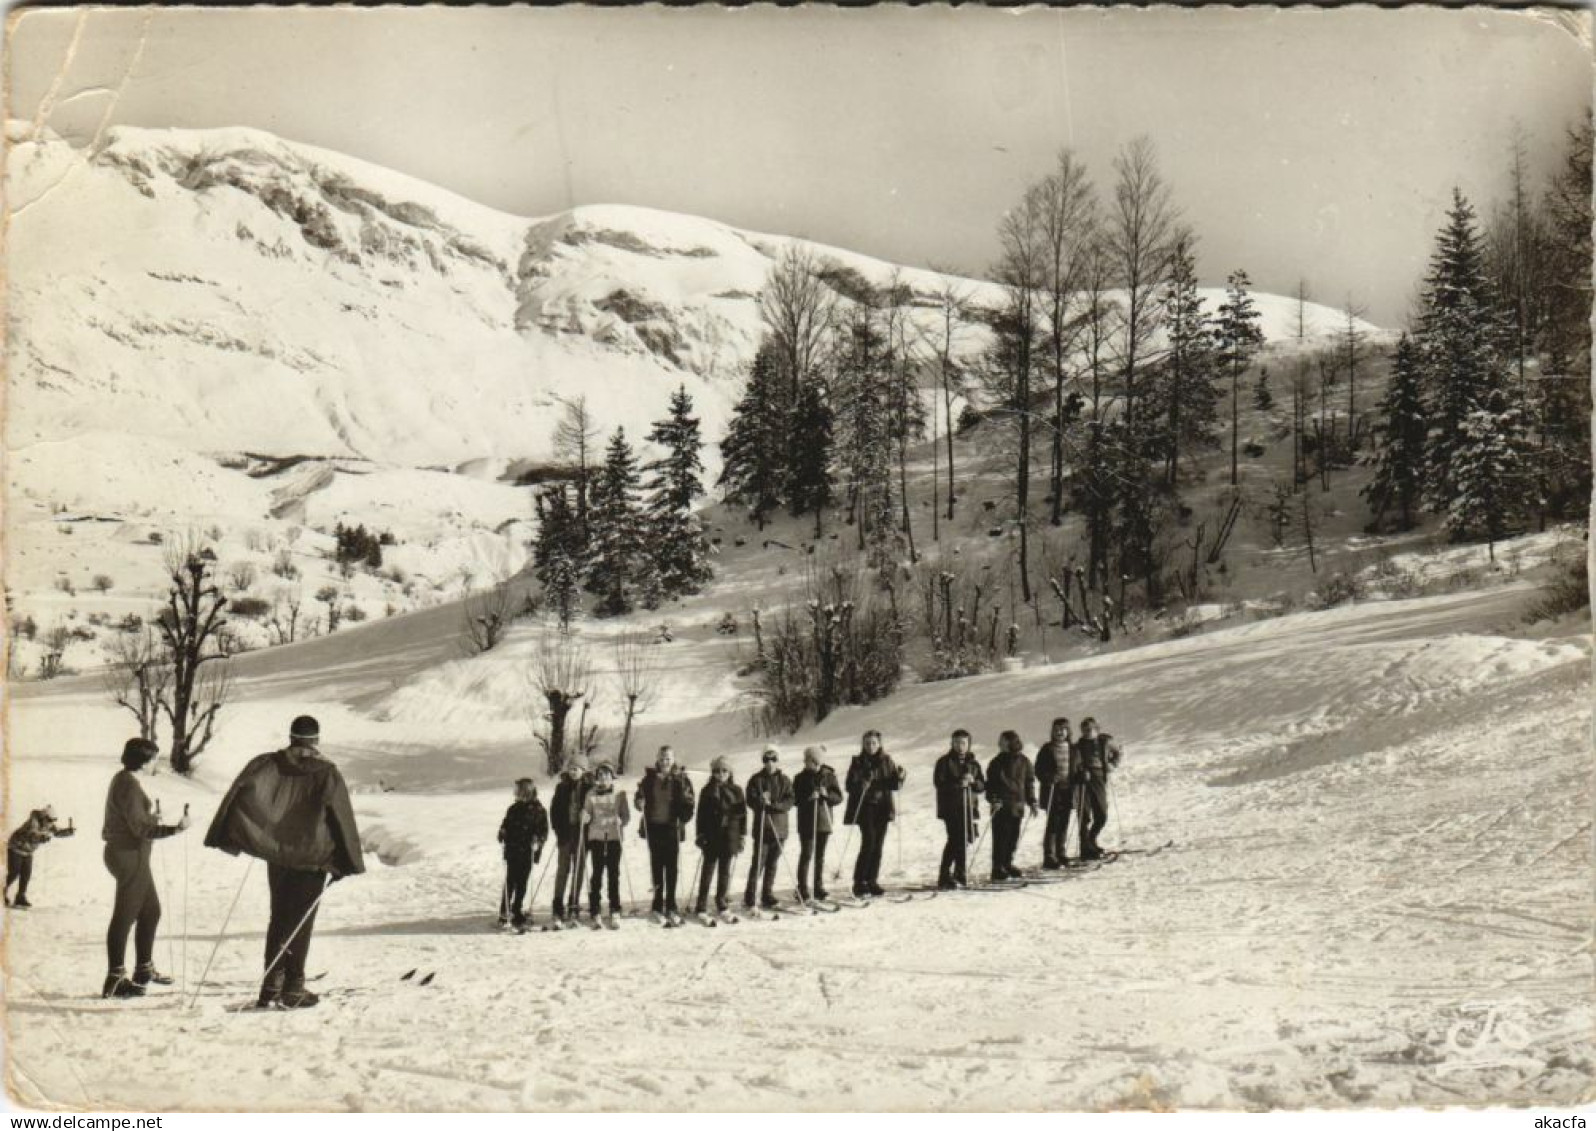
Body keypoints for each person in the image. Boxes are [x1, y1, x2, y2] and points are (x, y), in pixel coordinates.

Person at [205, 716, 364, 1009]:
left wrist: (245, 834)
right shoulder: (326, 772)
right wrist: (349, 861)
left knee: (279, 918)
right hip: (312, 858)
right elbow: (342, 818)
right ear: (316, 740)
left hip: (277, 856)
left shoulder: (266, 765)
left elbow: (240, 793)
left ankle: (270, 987)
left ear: (291, 737)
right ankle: (293, 989)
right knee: (300, 923)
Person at [101, 739, 188, 999]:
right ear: (144, 761)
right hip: (129, 855)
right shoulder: (128, 784)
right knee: (125, 916)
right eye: (154, 760)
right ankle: (115, 979)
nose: (156, 765)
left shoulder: (123, 779)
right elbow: (140, 829)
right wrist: (176, 828)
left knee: (151, 911)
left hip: (130, 853)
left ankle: (144, 969)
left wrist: (151, 818)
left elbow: (134, 820)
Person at [633, 746, 695, 921]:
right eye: (662, 758)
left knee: (672, 867)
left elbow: (690, 803)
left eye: (668, 758)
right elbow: (638, 798)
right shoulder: (649, 779)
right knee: (656, 865)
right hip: (653, 827)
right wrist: (639, 802)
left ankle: (671, 902)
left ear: (673, 760)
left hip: (671, 827)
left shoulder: (681, 779)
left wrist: (684, 815)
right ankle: (658, 901)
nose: (665, 762)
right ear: (657, 759)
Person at [843, 730, 905, 898]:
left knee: (878, 845)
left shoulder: (887, 760)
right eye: (867, 743)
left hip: (883, 807)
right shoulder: (857, 762)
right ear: (863, 744)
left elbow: (894, 784)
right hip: (865, 807)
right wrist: (862, 783)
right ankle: (859, 881)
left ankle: (872, 880)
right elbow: (849, 785)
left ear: (879, 744)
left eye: (873, 743)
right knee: (869, 842)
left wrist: (900, 776)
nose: (870, 746)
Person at [693, 756, 746, 920]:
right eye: (717, 771)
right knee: (708, 870)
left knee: (724, 870)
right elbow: (700, 815)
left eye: (724, 770)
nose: (720, 774)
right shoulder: (707, 790)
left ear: (729, 772)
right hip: (712, 835)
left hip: (730, 835)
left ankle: (721, 901)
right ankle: (701, 904)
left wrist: (742, 835)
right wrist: (700, 834)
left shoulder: (737, 790)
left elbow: (743, 815)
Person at [932, 730, 985, 890]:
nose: (960, 746)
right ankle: (945, 874)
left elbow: (982, 785)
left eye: (963, 743)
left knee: (965, 840)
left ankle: (960, 874)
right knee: (955, 840)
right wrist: (958, 783)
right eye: (956, 742)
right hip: (951, 807)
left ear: (968, 744)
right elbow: (939, 783)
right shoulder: (944, 762)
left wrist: (973, 781)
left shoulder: (973, 764)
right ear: (951, 743)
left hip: (969, 807)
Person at [743, 746, 794, 911]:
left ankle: (767, 894)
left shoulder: (785, 780)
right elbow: (749, 800)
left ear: (778, 760)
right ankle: (750, 896)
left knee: (772, 863)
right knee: (758, 862)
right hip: (763, 828)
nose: (770, 763)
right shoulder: (756, 779)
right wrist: (760, 801)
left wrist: (775, 806)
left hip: (779, 828)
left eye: (773, 759)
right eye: (766, 759)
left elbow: (790, 800)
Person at [580, 762, 630, 926]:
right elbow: (587, 812)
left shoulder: (619, 794)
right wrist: (585, 817)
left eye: (606, 776)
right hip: (597, 838)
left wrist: (621, 820)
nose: (603, 779)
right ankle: (595, 909)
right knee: (597, 875)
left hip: (614, 837)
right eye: (600, 776)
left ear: (612, 777)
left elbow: (626, 816)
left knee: (614, 874)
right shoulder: (591, 794)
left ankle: (615, 908)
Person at [791, 746, 842, 903]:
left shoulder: (829, 776)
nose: (805, 762)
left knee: (820, 856)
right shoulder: (800, 778)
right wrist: (808, 797)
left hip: (824, 821)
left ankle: (818, 887)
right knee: (806, 854)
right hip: (807, 821)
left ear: (815, 761)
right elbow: (794, 799)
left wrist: (826, 795)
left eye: (808, 760)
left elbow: (838, 797)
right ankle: (802, 888)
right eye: (805, 759)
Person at [984, 730, 1037, 880]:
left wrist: (1032, 800)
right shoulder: (996, 762)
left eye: (1002, 740)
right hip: (1001, 806)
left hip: (1017, 805)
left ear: (1010, 742)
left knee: (1013, 837)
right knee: (1001, 838)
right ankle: (997, 867)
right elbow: (991, 785)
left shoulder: (1024, 761)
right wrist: (993, 799)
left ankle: (1007, 863)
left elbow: (1029, 783)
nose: (999, 743)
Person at [497, 778, 548, 930]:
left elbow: (543, 830)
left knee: (522, 882)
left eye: (517, 790)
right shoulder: (513, 808)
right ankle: (504, 912)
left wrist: (538, 840)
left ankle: (516, 909)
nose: (515, 793)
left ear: (525, 792)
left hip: (527, 852)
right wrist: (502, 832)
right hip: (513, 850)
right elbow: (506, 823)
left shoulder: (538, 810)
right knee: (510, 881)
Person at [1072, 717, 1124, 860]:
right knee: (1084, 814)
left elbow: (1118, 751)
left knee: (1101, 813)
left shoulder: (1105, 742)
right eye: (1083, 730)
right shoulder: (1078, 746)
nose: (1086, 732)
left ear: (1096, 729)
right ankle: (1086, 848)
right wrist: (1080, 770)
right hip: (1083, 780)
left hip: (1099, 776)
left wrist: (1112, 764)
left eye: (1089, 729)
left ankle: (1091, 840)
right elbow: (1075, 762)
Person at [549, 756, 592, 925]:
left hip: (582, 834)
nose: (573, 772)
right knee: (563, 869)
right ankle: (557, 904)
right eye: (571, 768)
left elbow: (593, 809)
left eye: (577, 768)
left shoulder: (589, 788)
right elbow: (554, 810)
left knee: (579, 869)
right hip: (566, 834)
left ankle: (573, 902)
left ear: (584, 770)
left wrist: (588, 818)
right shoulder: (561, 787)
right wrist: (558, 829)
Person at [7, 804, 71, 908]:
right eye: (50, 820)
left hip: (28, 851)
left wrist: (68, 832)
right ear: (44, 817)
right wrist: (41, 838)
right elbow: (31, 834)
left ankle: (20, 897)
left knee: (26, 875)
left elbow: (56, 832)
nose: (51, 823)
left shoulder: (48, 824)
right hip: (16, 848)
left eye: (52, 821)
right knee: (14, 873)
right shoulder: (33, 822)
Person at [1034, 717, 1074, 868]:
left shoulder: (1072, 748)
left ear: (1068, 731)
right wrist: (1048, 777)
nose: (1059, 732)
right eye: (1056, 729)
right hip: (1052, 790)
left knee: (1064, 822)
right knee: (1053, 823)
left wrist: (1082, 774)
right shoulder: (1047, 748)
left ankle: (1061, 853)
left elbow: (1077, 766)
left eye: (1062, 729)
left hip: (1068, 790)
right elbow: (1038, 769)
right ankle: (1049, 856)